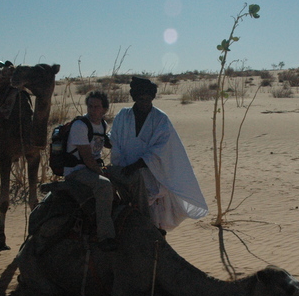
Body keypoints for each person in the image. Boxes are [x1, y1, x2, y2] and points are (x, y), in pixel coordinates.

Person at [109, 76, 208, 232]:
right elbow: (114, 139)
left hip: (152, 174)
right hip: (125, 171)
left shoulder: (160, 119)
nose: (145, 103)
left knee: (153, 216)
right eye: (141, 99)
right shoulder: (123, 116)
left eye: (148, 99)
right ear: (134, 98)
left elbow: (161, 148)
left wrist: (137, 166)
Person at [65, 91, 117, 251]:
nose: (93, 110)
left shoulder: (102, 125)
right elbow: (87, 158)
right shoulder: (80, 126)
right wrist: (102, 173)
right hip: (77, 171)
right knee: (104, 185)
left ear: (104, 109)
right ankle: (105, 236)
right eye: (90, 106)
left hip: (93, 168)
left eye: (97, 107)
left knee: (130, 176)